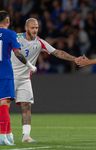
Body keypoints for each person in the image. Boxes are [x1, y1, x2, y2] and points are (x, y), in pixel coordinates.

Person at [11, 18, 78, 142]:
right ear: (26, 28)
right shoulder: (16, 37)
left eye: (36, 27)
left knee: (26, 106)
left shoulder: (40, 42)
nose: (35, 30)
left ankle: (26, 136)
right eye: (32, 28)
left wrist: (74, 59)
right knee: (3, 105)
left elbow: (56, 52)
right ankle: (3, 133)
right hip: (10, 76)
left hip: (25, 79)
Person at [0, 10, 37, 146]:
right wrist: (30, 66)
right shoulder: (10, 34)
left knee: (4, 104)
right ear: (8, 21)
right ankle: (2, 136)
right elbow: (18, 53)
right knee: (5, 104)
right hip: (5, 74)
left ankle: (9, 136)